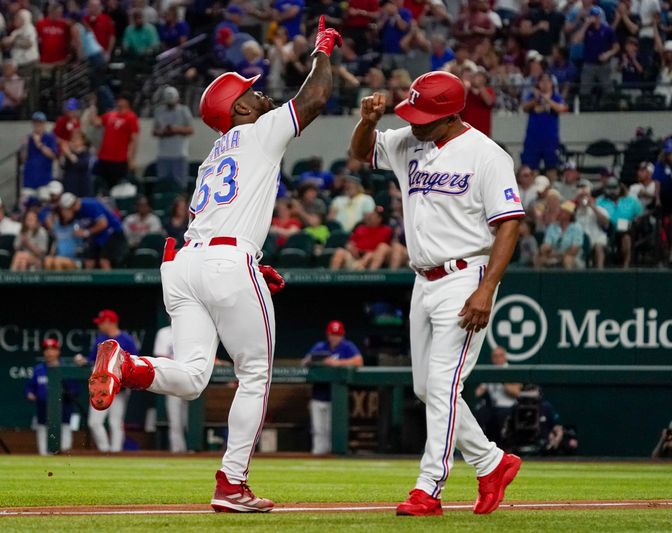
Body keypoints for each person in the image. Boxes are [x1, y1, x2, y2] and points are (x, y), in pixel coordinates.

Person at [85, 17, 341, 513]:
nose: (261, 94)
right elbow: (315, 98)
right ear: (239, 109)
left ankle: (130, 366)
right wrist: (323, 51)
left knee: (194, 374)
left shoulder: (213, 155)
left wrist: (246, 263)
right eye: (251, 92)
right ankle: (232, 482)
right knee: (256, 376)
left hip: (185, 265)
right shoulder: (259, 130)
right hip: (225, 260)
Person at [351, 71, 524, 516]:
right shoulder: (411, 139)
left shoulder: (486, 155)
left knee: (445, 385)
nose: (416, 122)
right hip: (422, 280)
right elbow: (360, 153)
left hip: (466, 275)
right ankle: (491, 461)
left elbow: (509, 223)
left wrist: (487, 289)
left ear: (452, 114)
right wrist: (368, 122)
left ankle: (429, 487)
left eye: (426, 115)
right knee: (428, 388)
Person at [74, 310, 138, 452]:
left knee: (116, 423)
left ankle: (116, 452)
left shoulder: (126, 340)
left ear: (110, 322)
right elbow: (92, 361)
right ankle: (105, 451)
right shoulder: (100, 339)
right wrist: (83, 361)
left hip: (119, 389)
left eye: (101, 322)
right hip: (101, 387)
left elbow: (135, 363)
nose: (99, 325)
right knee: (94, 422)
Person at [301, 320, 363, 455]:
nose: (335, 337)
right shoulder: (320, 346)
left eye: (338, 334)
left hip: (336, 398)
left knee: (332, 430)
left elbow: (359, 361)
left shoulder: (347, 346)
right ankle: (317, 455)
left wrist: (337, 363)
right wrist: (320, 361)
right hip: (318, 395)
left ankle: (332, 456)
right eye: (333, 334)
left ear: (342, 335)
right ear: (328, 334)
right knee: (318, 430)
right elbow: (305, 361)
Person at [26, 338, 79, 455]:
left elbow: (74, 390)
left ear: (58, 351)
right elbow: (30, 387)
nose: (49, 352)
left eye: (52, 349)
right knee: (42, 432)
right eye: (46, 349)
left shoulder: (66, 368)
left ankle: (64, 458)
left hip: (63, 410)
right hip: (43, 410)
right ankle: (44, 459)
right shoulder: (39, 369)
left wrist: (66, 393)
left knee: (64, 438)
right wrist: (30, 394)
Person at [58, 192, 128, 270]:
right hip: (98, 235)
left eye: (74, 204)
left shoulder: (90, 204)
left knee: (104, 261)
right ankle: (88, 281)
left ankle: (109, 281)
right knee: (89, 260)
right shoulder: (74, 212)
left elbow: (103, 224)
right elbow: (67, 221)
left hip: (112, 232)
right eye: (70, 207)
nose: (74, 207)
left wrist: (86, 232)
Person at [521, 73, 567, 181]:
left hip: (550, 139)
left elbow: (562, 109)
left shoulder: (556, 97)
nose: (545, 84)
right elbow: (524, 108)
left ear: (552, 84)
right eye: (542, 81)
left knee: (551, 168)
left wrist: (548, 100)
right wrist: (536, 100)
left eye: (547, 81)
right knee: (532, 169)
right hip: (533, 139)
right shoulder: (533, 96)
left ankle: (552, 194)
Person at [474, 346, 522, 447]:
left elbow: (516, 392)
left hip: (509, 408)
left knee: (501, 416)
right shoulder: (490, 372)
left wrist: (503, 379)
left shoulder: (512, 371)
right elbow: (478, 392)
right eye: (495, 356)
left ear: (505, 357)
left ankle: (506, 447)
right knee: (481, 413)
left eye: (500, 356)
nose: (498, 359)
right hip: (493, 408)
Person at [91, 94, 140, 192]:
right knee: (99, 182)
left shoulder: (131, 118)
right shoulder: (110, 115)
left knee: (115, 186)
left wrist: (131, 158)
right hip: (104, 157)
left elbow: (134, 140)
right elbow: (96, 122)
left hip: (119, 159)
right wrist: (93, 107)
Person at [153, 323, 188, 453]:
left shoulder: (194, 330)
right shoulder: (164, 333)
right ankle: (177, 450)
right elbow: (160, 356)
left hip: (192, 377)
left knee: (188, 419)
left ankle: (192, 449)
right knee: (175, 419)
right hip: (173, 378)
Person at [597, 177, 644, 268]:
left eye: (614, 188)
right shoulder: (600, 201)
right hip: (607, 229)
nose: (612, 191)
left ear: (620, 187)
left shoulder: (631, 199)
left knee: (626, 237)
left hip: (627, 228)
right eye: (609, 188)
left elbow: (640, 214)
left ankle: (625, 266)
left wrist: (637, 220)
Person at [153, 87, 194, 189]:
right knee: (163, 184)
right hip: (163, 154)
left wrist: (176, 130)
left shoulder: (184, 110)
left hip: (179, 154)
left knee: (180, 185)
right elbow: (155, 131)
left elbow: (190, 130)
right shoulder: (159, 111)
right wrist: (163, 132)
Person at [574, 6, 619, 98]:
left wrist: (608, 54)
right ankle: (585, 107)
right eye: (593, 16)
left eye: (597, 16)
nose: (595, 18)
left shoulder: (607, 30)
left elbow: (616, 47)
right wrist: (586, 25)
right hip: (589, 64)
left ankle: (609, 106)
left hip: (603, 64)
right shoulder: (587, 29)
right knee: (585, 89)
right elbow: (576, 40)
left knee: (608, 89)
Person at [534, 200, 585, 269]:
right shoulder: (552, 227)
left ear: (569, 214)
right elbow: (547, 244)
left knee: (567, 260)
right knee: (540, 259)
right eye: (559, 211)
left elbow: (574, 250)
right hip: (553, 256)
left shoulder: (577, 228)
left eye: (562, 212)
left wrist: (557, 255)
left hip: (572, 257)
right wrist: (544, 249)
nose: (559, 213)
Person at [574, 179, 609, 269]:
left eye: (585, 195)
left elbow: (605, 223)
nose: (583, 198)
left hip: (596, 238)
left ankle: (600, 274)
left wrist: (592, 207)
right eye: (581, 196)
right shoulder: (573, 209)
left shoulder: (599, 208)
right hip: (579, 239)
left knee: (599, 248)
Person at [22, 112, 58, 192]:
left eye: (40, 122)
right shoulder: (29, 138)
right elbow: (23, 159)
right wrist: (25, 146)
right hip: (29, 180)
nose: (37, 125)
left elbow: (53, 155)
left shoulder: (50, 137)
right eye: (35, 122)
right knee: (27, 201)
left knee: (44, 200)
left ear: (44, 123)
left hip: (44, 180)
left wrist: (39, 145)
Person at [60, 130, 93, 197]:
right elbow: (63, 165)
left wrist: (68, 153)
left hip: (81, 186)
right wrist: (64, 154)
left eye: (76, 138)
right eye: (73, 138)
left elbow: (81, 165)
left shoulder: (86, 153)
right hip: (69, 184)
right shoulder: (70, 152)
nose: (74, 140)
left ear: (83, 141)